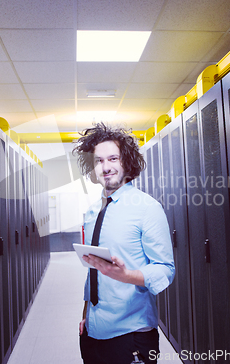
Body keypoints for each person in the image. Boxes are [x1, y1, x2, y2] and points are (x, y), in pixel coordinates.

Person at [73, 123, 175, 364]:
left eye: (113, 158)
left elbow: (165, 269)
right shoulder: (92, 212)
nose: (106, 167)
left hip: (131, 333)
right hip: (92, 332)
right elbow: (93, 272)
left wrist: (127, 275)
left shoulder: (147, 208)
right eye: (98, 161)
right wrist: (86, 315)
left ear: (126, 163)